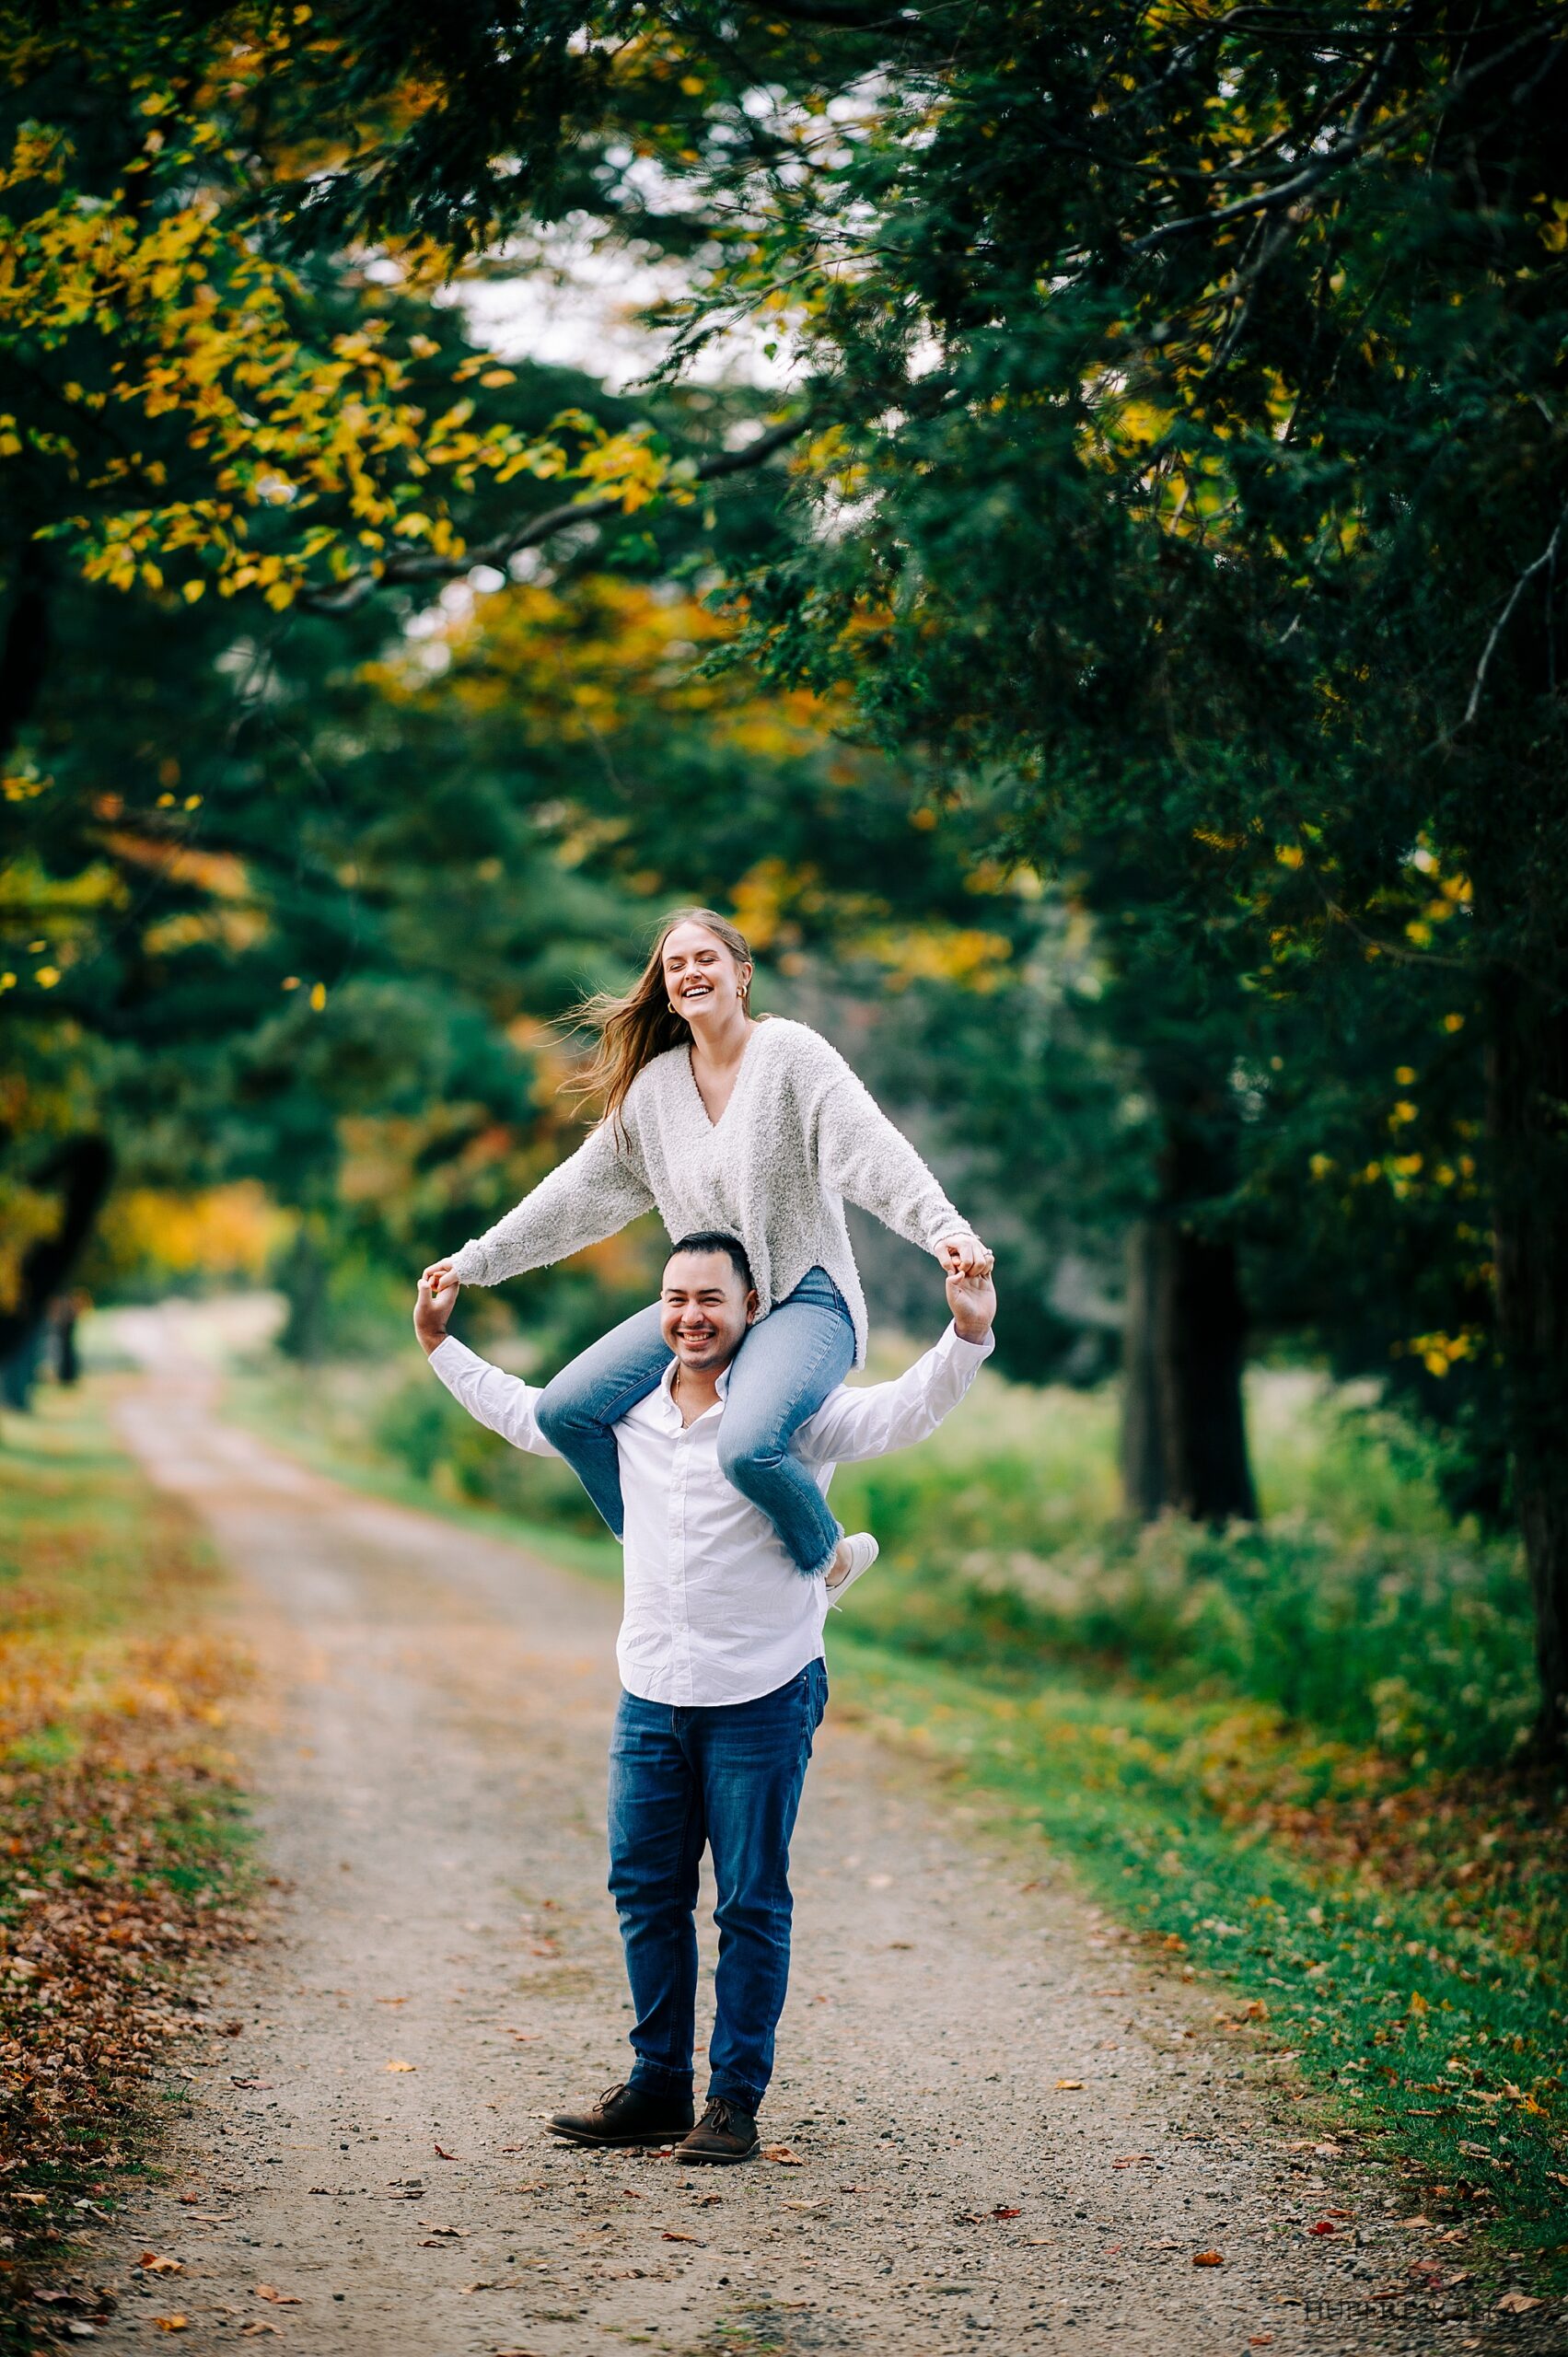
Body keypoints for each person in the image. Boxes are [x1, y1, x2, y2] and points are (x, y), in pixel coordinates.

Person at [412, 1231, 997, 2164]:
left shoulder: (785, 1415)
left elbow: (894, 1416)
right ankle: (653, 2086)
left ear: (751, 1308)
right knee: (644, 1893)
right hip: (649, 1691)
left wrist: (963, 1333)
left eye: (711, 1299)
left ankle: (731, 2100)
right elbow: (528, 1414)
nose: (690, 1315)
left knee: (749, 1902)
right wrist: (442, 1344)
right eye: (675, 1297)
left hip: (762, 1692)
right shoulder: (629, 1409)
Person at [421, 908, 988, 1595]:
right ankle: (664, 1550)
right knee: (564, 1411)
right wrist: (476, 1261)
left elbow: (870, 1148)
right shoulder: (654, 1091)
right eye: (674, 964)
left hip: (802, 1296)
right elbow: (572, 1198)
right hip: (702, 1308)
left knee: (748, 1449)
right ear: (664, 988)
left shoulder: (791, 1056)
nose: (690, 972)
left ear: (741, 975)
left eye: (705, 958)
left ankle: (830, 1557)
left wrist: (943, 1228)